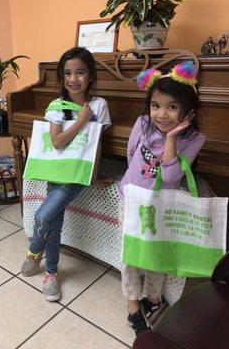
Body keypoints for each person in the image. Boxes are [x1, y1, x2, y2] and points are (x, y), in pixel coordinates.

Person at [119, 61, 206, 336]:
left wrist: (170, 138)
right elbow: (131, 154)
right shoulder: (142, 123)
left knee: (158, 254)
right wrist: (134, 184)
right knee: (130, 254)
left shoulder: (194, 138)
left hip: (163, 204)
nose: (162, 114)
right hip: (131, 197)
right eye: (156, 105)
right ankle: (134, 306)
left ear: (187, 111)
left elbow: (170, 177)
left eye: (171, 106)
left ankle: (153, 300)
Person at [21, 47, 113, 302]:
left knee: (43, 215)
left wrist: (93, 176)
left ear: (91, 75)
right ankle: (51, 272)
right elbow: (58, 142)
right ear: (62, 78)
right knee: (53, 221)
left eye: (80, 72)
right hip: (56, 171)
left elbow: (97, 144)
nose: (73, 79)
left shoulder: (99, 105)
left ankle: (34, 250)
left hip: (77, 175)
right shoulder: (55, 106)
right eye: (68, 73)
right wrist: (81, 121)